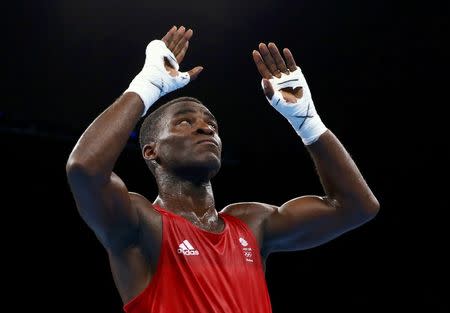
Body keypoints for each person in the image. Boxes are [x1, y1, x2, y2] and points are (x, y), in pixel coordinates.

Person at [66, 25, 379, 313]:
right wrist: (146, 87)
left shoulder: (253, 224)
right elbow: (84, 169)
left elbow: (357, 207)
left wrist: (307, 121)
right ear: (152, 151)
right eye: (185, 122)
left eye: (211, 125)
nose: (205, 129)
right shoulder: (140, 223)